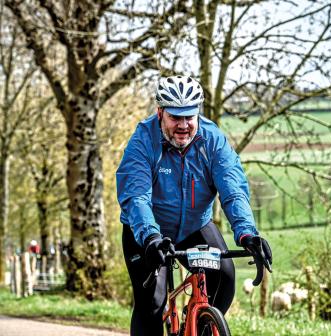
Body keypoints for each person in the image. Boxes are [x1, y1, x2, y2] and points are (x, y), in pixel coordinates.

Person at [116, 75, 273, 336]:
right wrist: (151, 237)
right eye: (175, 117)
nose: (183, 125)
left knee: (225, 278)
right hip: (147, 234)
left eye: (189, 116)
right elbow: (137, 197)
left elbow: (233, 191)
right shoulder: (143, 141)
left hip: (193, 226)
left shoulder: (213, 141)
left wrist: (248, 234)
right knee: (152, 303)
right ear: (160, 113)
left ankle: (197, 325)